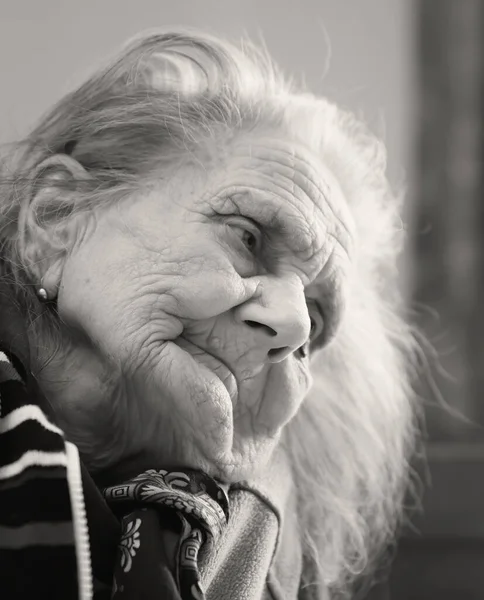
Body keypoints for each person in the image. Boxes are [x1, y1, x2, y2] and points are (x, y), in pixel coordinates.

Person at [0, 29, 417, 600]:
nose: (294, 325)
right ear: (55, 220)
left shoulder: (261, 553)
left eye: (316, 323)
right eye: (247, 237)